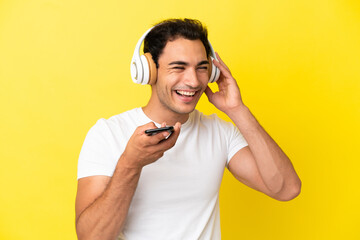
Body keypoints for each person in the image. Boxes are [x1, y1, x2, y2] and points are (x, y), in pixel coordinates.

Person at [75, 18, 301, 240]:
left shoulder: (220, 132)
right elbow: (92, 237)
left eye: (202, 68)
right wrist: (131, 163)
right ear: (148, 71)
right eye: (178, 67)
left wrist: (237, 110)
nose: (193, 81)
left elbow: (286, 188)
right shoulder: (107, 134)